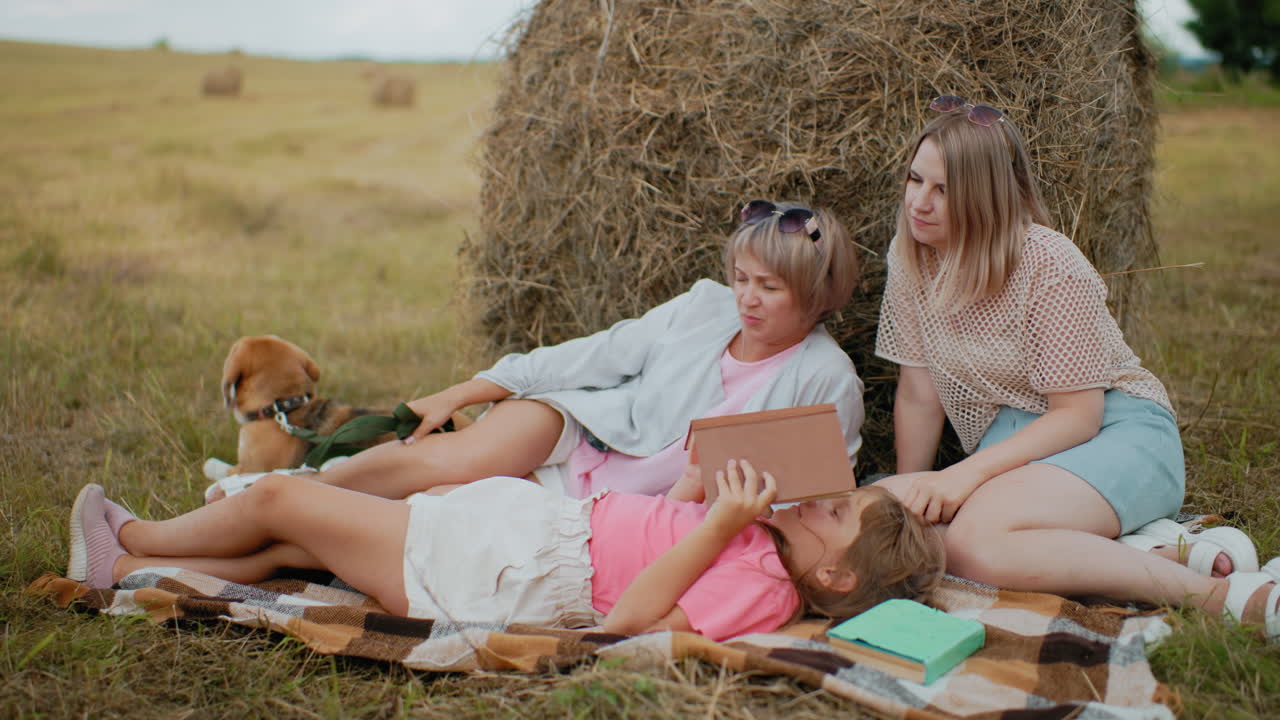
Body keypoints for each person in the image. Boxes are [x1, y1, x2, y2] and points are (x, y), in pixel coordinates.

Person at [873, 97, 1279, 639]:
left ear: (985, 195)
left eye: (943, 189)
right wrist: (915, 492)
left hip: (1115, 431)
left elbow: (1077, 417)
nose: (919, 202)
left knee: (972, 546)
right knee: (896, 517)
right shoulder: (911, 255)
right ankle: (1157, 550)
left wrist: (960, 475)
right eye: (914, 179)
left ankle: (1226, 598)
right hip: (1016, 443)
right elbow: (919, 394)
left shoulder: (1048, 263)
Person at [212, 200, 865, 502]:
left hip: (632, 509)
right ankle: (284, 487)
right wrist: (468, 389)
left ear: (818, 292)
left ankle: (285, 506)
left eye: (770, 288)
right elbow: (594, 356)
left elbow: (816, 498)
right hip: (587, 434)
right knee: (438, 461)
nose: (745, 300)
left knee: (439, 509)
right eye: (740, 278)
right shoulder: (704, 305)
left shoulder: (827, 380)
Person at [67, 459, 944, 642]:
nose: (818, 499)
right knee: (292, 542)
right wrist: (697, 489)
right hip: (524, 531)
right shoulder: (754, 533)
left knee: (280, 498)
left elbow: (634, 619)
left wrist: (715, 526)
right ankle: (133, 569)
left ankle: (130, 533)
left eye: (834, 514)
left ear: (831, 573)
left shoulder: (767, 586)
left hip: (504, 573)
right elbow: (645, 531)